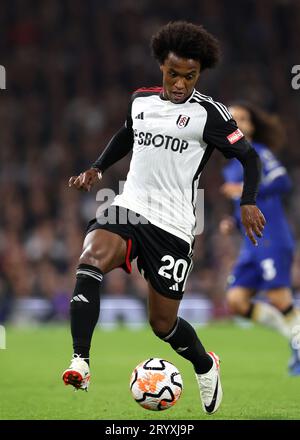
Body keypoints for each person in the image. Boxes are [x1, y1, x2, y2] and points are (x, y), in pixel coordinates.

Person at [62, 22, 265, 414]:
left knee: (163, 325)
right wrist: (97, 168)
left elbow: (249, 157)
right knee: (89, 260)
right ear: (162, 68)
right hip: (129, 206)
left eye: (189, 76)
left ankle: (206, 366)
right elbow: (126, 133)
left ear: (199, 73)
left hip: (173, 227)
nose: (180, 83)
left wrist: (247, 201)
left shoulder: (210, 114)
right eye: (173, 74)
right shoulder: (140, 101)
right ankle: (80, 362)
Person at [220, 101, 300, 375]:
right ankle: (294, 337)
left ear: (251, 126)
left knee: (279, 298)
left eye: (242, 118)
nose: (237, 123)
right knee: (236, 301)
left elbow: (282, 181)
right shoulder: (232, 164)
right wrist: (232, 222)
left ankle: (299, 347)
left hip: (272, 239)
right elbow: (245, 206)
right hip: (251, 246)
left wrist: (245, 188)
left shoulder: (260, 153)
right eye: (232, 119)